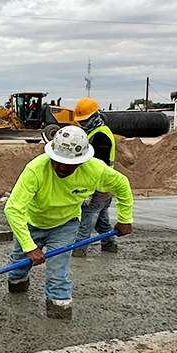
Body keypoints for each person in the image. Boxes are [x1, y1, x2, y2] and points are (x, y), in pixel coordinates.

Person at [4, 124, 133, 321]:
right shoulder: (35, 169)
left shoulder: (95, 170)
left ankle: (59, 313)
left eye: (70, 164)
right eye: (58, 162)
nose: (63, 168)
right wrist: (30, 247)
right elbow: (13, 209)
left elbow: (122, 184)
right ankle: (18, 288)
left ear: (82, 161)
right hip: (33, 222)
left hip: (66, 224)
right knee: (18, 267)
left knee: (58, 271)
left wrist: (125, 219)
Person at [71, 97, 119, 258]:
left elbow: (99, 167)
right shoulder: (93, 132)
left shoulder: (101, 137)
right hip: (104, 187)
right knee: (102, 220)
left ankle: (78, 250)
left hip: (99, 186)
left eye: (85, 120)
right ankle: (110, 244)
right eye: (81, 120)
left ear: (95, 116)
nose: (82, 123)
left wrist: (89, 191)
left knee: (86, 220)